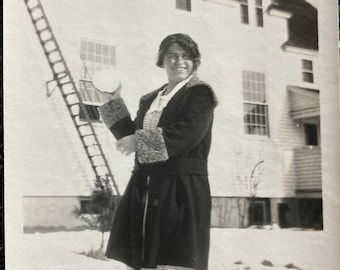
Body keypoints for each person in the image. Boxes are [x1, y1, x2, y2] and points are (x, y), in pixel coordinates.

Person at [99, 33, 218, 270]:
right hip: (147, 187)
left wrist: (139, 143)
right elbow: (129, 134)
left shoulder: (200, 94)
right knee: (147, 260)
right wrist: (113, 100)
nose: (179, 62)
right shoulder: (152, 98)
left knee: (174, 261)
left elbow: (186, 134)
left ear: (195, 61)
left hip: (181, 189)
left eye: (186, 56)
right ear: (162, 60)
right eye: (171, 56)